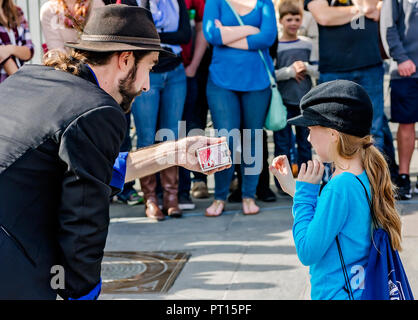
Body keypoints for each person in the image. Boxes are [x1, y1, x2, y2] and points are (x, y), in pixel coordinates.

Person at [0, 4, 228, 300]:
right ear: (125, 59)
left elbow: (93, 169)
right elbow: (83, 222)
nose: (147, 85)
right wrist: (82, 294)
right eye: (149, 67)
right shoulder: (96, 109)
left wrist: (175, 152)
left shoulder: (31, 78)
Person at [270, 80, 403, 300]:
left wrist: (305, 196)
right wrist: (295, 190)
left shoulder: (339, 187)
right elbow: (336, 218)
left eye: (312, 128)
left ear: (333, 133)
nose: (308, 137)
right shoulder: (361, 174)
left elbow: (307, 251)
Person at [304, 0, 399, 184]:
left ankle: (374, 183)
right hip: (333, 69)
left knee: (373, 129)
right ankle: (334, 182)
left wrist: (343, 12)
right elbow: (324, 17)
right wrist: (359, 10)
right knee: (330, 129)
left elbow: (376, 11)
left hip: (369, 65)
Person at [203, 0, 278, 217]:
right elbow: (211, 36)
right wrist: (249, 30)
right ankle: (219, 196)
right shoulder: (215, 2)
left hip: (258, 80)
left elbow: (267, 37)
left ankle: (249, 195)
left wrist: (227, 35)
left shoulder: (265, 3)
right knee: (225, 139)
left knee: (252, 138)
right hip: (221, 81)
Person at [130, 0, 192, 220]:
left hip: (175, 72)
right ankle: (150, 198)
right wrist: (164, 36)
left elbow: (185, 35)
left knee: (171, 136)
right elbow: (138, 34)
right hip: (147, 73)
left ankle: (171, 197)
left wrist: (156, 36)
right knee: (146, 136)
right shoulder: (134, 2)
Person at [273, 0, 317, 191]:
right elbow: (271, 73)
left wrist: (306, 68)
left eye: (297, 19)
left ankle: (306, 181)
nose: (293, 23)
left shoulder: (308, 44)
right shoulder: (275, 45)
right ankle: (282, 182)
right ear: (281, 21)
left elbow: (319, 70)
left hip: (305, 103)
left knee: (305, 144)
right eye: (289, 19)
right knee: (282, 144)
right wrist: (290, 72)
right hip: (283, 103)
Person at [380, 0, 418, 200]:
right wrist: (401, 57)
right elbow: (388, 25)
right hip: (407, 70)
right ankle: (403, 176)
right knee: (406, 124)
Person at [178, 0, 211, 210]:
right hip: (168, 66)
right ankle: (190, 182)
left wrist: (194, 66)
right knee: (180, 127)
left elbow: (203, 27)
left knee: (197, 123)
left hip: (200, 66)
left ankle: (203, 177)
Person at [0, 0, 33, 84]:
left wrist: (11, 49)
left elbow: (29, 51)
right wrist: (22, 85)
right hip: (5, 84)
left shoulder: (17, 12)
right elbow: (3, 57)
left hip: (19, 81)